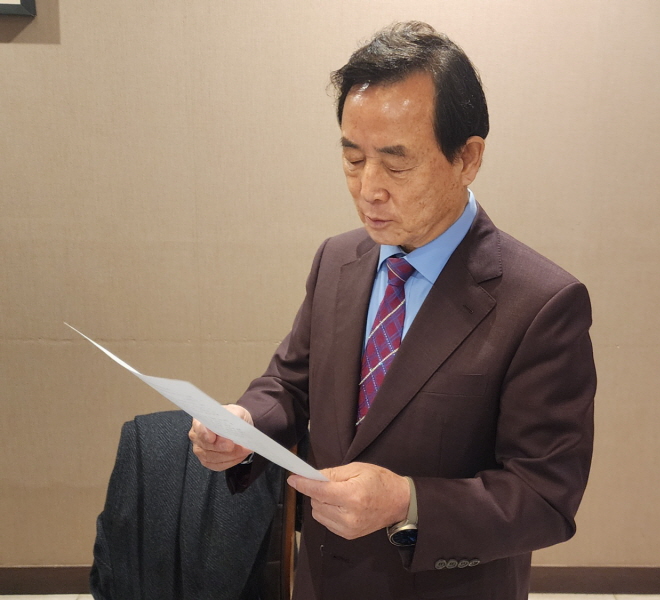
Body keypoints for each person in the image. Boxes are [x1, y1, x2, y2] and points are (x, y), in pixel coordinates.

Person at [189, 21, 596, 600]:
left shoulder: (540, 304)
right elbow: (291, 383)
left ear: (468, 158)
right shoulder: (338, 260)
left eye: (396, 164)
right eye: (353, 159)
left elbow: (545, 497)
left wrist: (407, 501)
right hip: (324, 580)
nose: (369, 189)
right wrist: (246, 424)